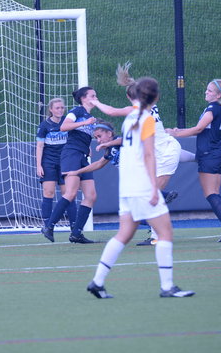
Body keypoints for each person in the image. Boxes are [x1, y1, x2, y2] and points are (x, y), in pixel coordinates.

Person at [86, 77, 194, 299]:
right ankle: (167, 287)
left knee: (124, 234)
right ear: (156, 97)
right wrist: (154, 187)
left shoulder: (130, 118)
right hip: (141, 184)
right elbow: (149, 154)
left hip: (127, 185)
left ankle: (97, 282)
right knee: (165, 232)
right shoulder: (146, 118)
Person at [93, 63, 195, 246]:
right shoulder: (148, 107)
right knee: (154, 190)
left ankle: (157, 236)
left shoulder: (137, 111)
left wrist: (94, 102)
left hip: (165, 154)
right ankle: (201, 158)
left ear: (129, 96)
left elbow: (111, 111)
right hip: (166, 148)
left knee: (153, 195)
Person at [167, 79, 221, 243]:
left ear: (218, 95)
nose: (206, 92)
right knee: (215, 193)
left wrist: (176, 133)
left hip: (209, 154)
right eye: (207, 90)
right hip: (217, 153)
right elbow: (202, 129)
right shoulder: (218, 108)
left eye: (210, 91)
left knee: (210, 194)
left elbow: (198, 129)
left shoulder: (213, 108)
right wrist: (179, 130)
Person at [41, 86, 98, 244]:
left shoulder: (90, 116)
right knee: (71, 193)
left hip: (82, 156)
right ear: (83, 98)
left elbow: (84, 135)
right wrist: (85, 122)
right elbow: (64, 127)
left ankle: (76, 233)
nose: (96, 98)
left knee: (91, 196)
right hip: (71, 155)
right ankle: (49, 226)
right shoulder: (77, 111)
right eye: (93, 96)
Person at [36, 98, 77, 229]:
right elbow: (40, 146)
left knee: (68, 193)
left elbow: (77, 138)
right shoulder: (44, 125)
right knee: (48, 192)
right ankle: (47, 226)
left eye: (62, 107)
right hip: (49, 162)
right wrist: (39, 165)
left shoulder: (68, 122)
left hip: (65, 162)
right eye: (57, 108)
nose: (60, 110)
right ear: (51, 110)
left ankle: (74, 226)